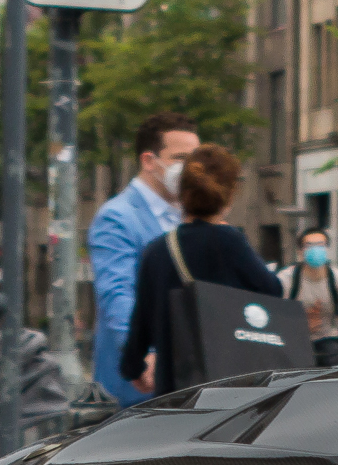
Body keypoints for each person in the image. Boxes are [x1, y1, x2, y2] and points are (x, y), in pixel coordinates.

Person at [120, 145, 283, 395]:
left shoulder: (157, 251)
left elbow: (141, 322)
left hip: (175, 386)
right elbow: (273, 290)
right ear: (229, 195)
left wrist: (133, 368)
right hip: (232, 385)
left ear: (182, 193)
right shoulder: (231, 242)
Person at [88, 111, 199, 405]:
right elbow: (117, 293)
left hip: (186, 379)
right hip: (139, 388)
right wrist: (141, 356)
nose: (191, 168)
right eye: (181, 158)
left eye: (196, 159)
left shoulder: (188, 215)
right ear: (149, 161)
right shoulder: (117, 217)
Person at [285, 227, 338, 364]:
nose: (315, 250)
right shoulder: (286, 279)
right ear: (300, 251)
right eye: (309, 246)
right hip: (292, 340)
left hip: (328, 339)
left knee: (334, 364)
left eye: (321, 245)